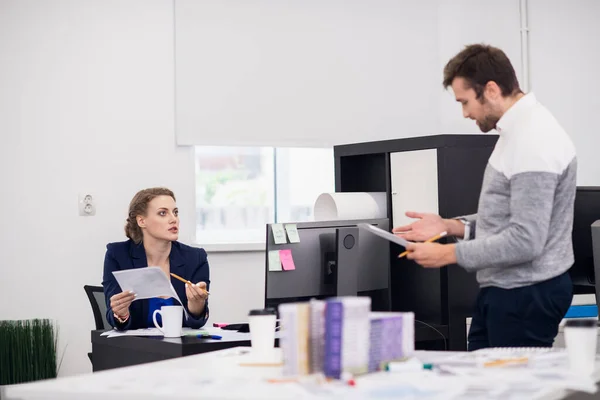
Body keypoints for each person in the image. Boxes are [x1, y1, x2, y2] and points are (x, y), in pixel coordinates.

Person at [393, 44, 576, 350]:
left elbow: (526, 239)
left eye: (465, 102)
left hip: (525, 292)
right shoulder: (516, 133)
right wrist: (451, 227)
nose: (465, 113)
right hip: (507, 289)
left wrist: (447, 255)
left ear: (491, 90)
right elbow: (507, 217)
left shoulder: (534, 140)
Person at [102, 187, 210, 330]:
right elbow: (113, 317)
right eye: (163, 213)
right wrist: (121, 313)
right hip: (136, 348)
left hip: (181, 348)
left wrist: (196, 305)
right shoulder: (117, 255)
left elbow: (197, 322)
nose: (173, 219)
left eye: (175, 212)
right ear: (141, 221)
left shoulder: (195, 258)